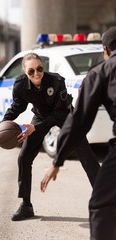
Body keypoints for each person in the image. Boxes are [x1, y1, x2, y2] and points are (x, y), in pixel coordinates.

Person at [0, 52, 100, 221]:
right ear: (24, 71)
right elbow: (18, 106)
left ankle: (106, 202)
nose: (36, 73)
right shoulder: (21, 85)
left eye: (39, 69)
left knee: (86, 155)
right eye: (31, 71)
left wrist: (34, 128)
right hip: (41, 116)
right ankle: (26, 205)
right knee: (24, 157)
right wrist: (2, 124)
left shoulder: (57, 81)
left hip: (65, 116)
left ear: (43, 67)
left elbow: (58, 115)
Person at [40, 26, 116, 239]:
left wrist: (57, 161)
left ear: (106, 50)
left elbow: (79, 121)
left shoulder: (101, 72)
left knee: (101, 204)